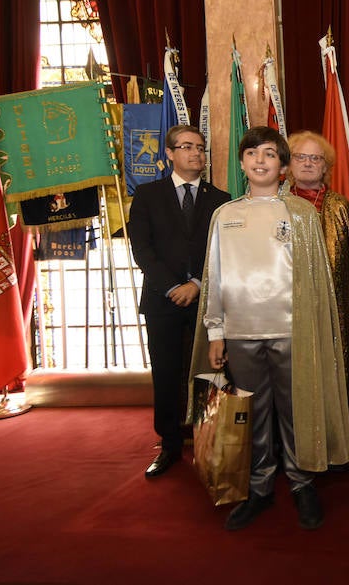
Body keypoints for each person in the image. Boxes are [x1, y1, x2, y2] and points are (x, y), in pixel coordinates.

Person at [190, 126, 349, 531]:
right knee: (254, 414)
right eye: (252, 153)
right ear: (242, 162)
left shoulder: (298, 213)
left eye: (270, 154)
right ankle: (260, 486)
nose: (260, 160)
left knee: (296, 410)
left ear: (283, 166)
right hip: (242, 332)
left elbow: (315, 283)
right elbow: (215, 276)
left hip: (291, 330)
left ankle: (301, 482)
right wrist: (216, 332)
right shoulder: (224, 215)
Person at [128, 124, 230, 479]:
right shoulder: (147, 195)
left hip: (207, 301)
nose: (196, 154)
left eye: (201, 148)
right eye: (186, 147)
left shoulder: (221, 199)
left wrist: (198, 285)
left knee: (209, 371)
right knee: (167, 374)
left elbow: (223, 252)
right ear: (169, 153)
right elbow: (142, 250)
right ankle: (169, 444)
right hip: (162, 299)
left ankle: (210, 440)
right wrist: (174, 286)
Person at [286, 130, 349, 430]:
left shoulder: (341, 208)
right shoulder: (276, 205)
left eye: (317, 158)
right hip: (285, 315)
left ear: (326, 167)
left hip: (333, 314)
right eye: (302, 157)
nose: (309, 164)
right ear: (289, 163)